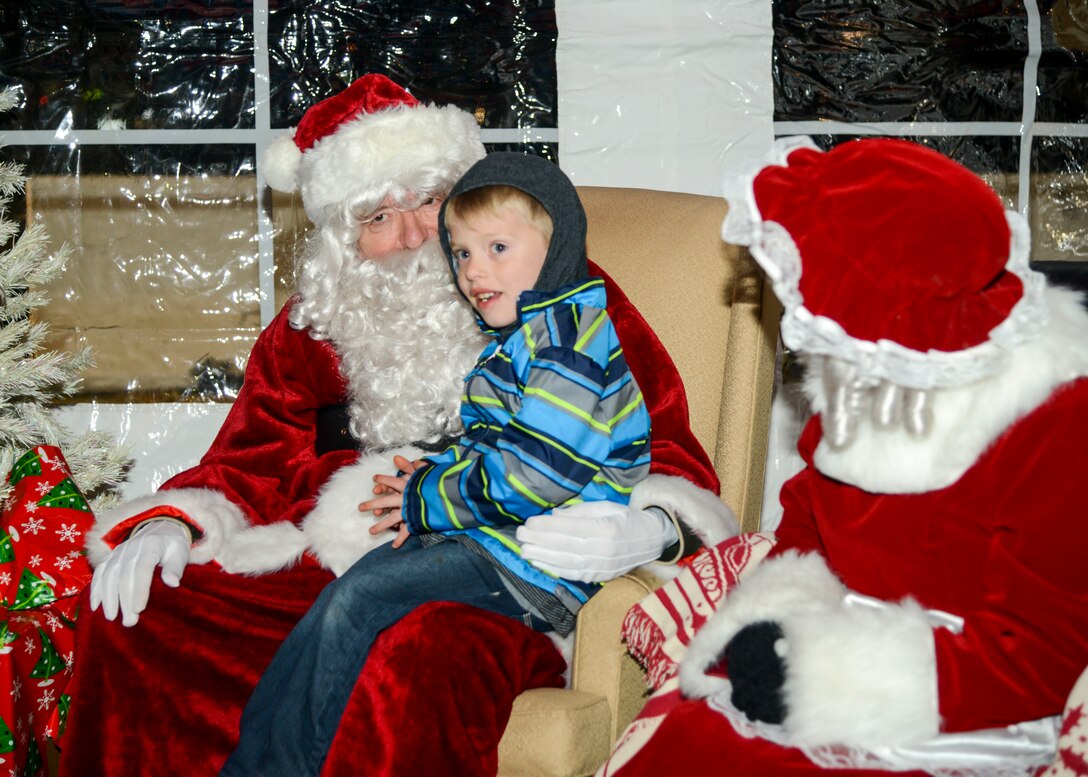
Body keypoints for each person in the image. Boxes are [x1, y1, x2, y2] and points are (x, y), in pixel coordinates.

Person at [61, 74, 738, 776]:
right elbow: (248, 458)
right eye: (378, 217)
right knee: (140, 613)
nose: (416, 236)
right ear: (342, 239)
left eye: (426, 199)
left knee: (415, 648)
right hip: (324, 563)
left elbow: (665, 446)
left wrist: (652, 528)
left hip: (500, 578)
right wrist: (171, 522)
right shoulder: (314, 325)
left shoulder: (554, 294)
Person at [595, 136, 1088, 776]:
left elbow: (1037, 655)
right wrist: (777, 621)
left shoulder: (1053, 416)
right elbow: (809, 521)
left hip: (956, 705)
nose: (800, 313)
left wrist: (816, 675)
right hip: (833, 642)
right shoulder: (869, 376)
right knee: (679, 742)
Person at [219, 150, 656, 775]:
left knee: (358, 598)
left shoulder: (567, 343)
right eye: (464, 254)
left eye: (497, 248)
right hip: (495, 540)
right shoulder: (526, 338)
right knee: (346, 594)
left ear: (557, 245)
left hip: (543, 562)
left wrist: (425, 499)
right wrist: (426, 495)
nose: (475, 271)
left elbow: (538, 475)